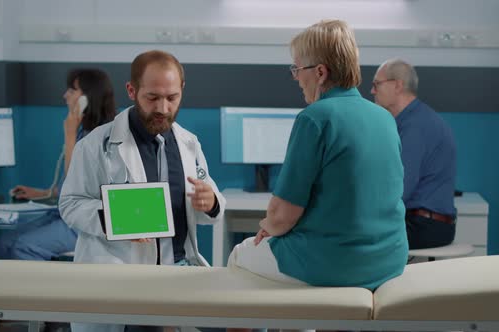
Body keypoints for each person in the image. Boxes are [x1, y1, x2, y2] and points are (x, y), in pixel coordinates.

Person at [227, 20, 408, 290]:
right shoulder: (384, 118)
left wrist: (268, 227)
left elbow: (282, 216)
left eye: (297, 69)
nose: (296, 78)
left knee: (241, 255)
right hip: (389, 259)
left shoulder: (315, 118)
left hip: (337, 264)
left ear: (320, 72)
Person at [59, 50, 226, 332]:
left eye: (172, 98)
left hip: (180, 269)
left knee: (244, 324)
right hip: (123, 272)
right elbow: (70, 204)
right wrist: (115, 219)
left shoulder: (188, 144)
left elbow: (212, 200)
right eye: (152, 98)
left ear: (182, 90)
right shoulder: (97, 145)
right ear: (132, 91)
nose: (163, 108)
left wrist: (209, 202)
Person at [0, 68, 116, 260]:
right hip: (63, 214)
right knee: (6, 241)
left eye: (71, 90)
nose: (65, 96)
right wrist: (44, 193)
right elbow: (70, 187)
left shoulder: (103, 137)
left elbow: (76, 182)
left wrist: (69, 134)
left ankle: (37, 291)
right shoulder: (82, 132)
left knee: (23, 247)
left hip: (84, 222)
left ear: (87, 98)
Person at [371, 58, 457, 249]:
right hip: (425, 222)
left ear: (398, 85)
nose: (372, 91)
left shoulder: (415, 126)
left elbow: (399, 189)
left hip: (424, 226)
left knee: (353, 236)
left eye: (377, 84)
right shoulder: (413, 120)